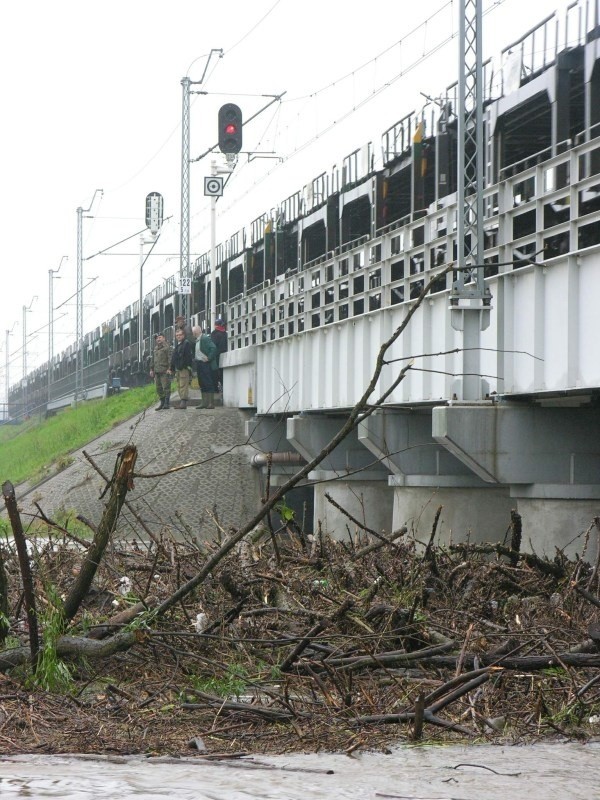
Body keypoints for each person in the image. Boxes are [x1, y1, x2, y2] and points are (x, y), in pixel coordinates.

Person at [168, 327, 194, 409]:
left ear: (183, 335)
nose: (178, 336)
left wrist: (185, 366)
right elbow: (174, 358)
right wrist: (172, 368)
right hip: (178, 369)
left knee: (183, 385)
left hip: (183, 368)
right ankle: (181, 402)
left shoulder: (186, 344)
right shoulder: (178, 345)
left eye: (180, 335)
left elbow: (188, 357)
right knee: (179, 385)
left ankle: (183, 403)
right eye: (177, 335)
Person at [192, 325, 218, 409]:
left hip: (205, 364)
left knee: (208, 382)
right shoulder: (197, 340)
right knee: (202, 383)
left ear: (198, 331)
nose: (193, 333)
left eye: (194, 331)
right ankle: (204, 402)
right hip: (199, 363)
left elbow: (213, 348)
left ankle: (210, 403)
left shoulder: (205, 338)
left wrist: (209, 358)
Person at [149, 333, 172, 410]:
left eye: (160, 337)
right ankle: (162, 402)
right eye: (157, 338)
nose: (158, 339)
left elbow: (170, 359)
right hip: (157, 371)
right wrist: (151, 369)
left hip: (164, 371)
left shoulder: (167, 347)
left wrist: (169, 368)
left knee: (166, 387)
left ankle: (167, 403)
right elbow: (153, 360)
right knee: (158, 388)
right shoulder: (155, 348)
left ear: (164, 338)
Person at [211, 317, 228, 392]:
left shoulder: (214, 333)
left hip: (218, 356)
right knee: (220, 374)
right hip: (222, 356)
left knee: (218, 373)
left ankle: (217, 389)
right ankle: (220, 388)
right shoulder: (224, 334)